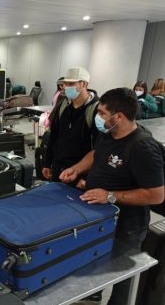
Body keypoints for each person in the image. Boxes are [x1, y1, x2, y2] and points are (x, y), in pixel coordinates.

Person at [60, 87, 164, 305]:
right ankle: (93, 294)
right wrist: (77, 169)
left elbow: (156, 195)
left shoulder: (143, 148)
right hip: (99, 218)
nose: (98, 118)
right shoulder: (109, 133)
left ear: (119, 116)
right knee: (92, 264)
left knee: (122, 281)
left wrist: (109, 196)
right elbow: (96, 154)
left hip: (127, 227)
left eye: (102, 113)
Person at [42, 67, 99, 183]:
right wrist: (47, 163)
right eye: (65, 83)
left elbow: (99, 148)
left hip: (80, 173)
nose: (66, 87)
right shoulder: (63, 105)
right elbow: (54, 136)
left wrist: (86, 178)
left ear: (83, 84)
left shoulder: (96, 110)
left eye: (71, 83)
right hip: (59, 168)